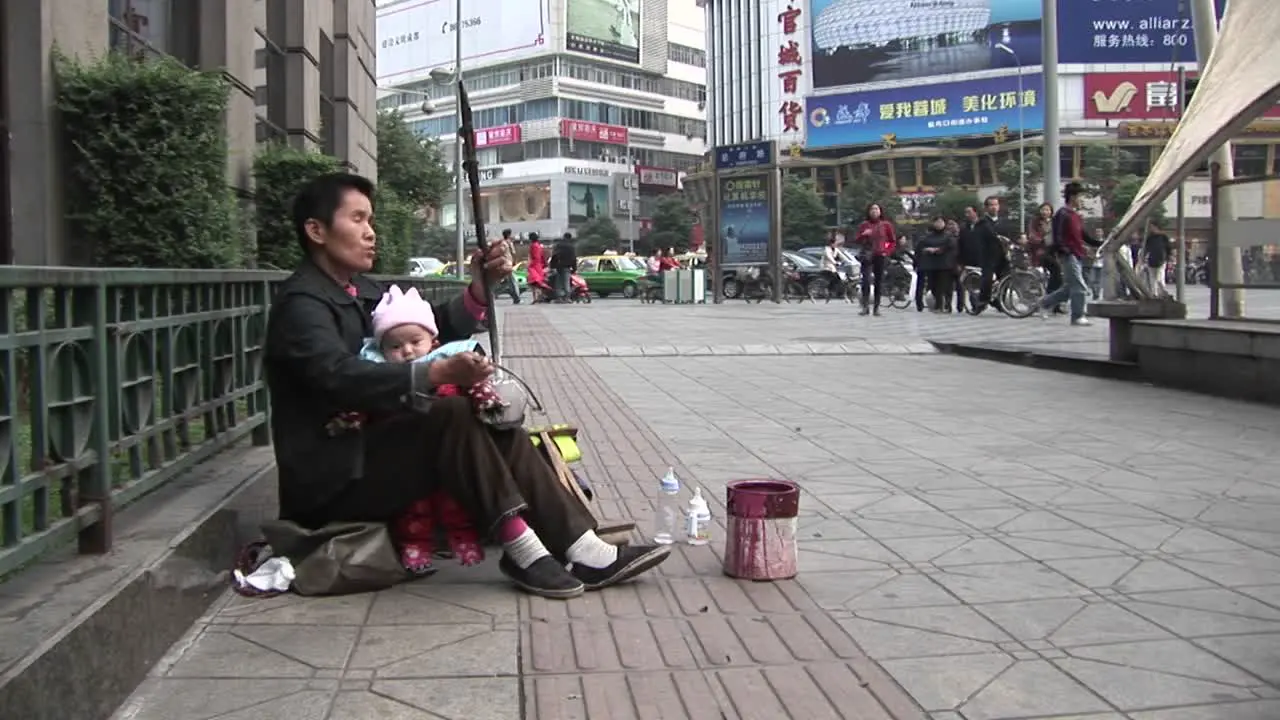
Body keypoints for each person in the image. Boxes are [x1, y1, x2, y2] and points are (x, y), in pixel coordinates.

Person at [264, 173, 669, 598]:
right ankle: (524, 550)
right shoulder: (303, 305)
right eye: (358, 219)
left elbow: (418, 327)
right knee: (451, 413)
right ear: (316, 230)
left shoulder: (358, 289)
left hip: (371, 453)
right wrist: (433, 374)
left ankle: (581, 546)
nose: (370, 232)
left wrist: (478, 289)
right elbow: (337, 377)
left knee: (487, 413)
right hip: (333, 482)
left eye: (371, 221)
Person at [359, 284, 503, 573]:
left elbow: (476, 387)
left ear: (433, 343)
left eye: (415, 342)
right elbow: (361, 403)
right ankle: (415, 545)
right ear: (382, 350)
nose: (408, 352)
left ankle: (463, 538)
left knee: (454, 499)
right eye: (395, 347)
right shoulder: (381, 375)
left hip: (450, 449)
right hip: (406, 452)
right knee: (414, 505)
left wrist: (485, 398)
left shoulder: (449, 364)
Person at [1037, 182, 1102, 326]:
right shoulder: (1063, 214)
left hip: (1078, 254)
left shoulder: (1076, 216)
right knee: (1079, 286)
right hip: (1068, 254)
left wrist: (1099, 243)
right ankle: (1078, 316)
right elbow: (1058, 235)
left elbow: (1083, 235)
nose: (1082, 200)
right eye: (1081, 197)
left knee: (1069, 288)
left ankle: (1044, 302)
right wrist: (1064, 250)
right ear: (1073, 197)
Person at [854, 203, 897, 316]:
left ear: (880, 211)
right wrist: (864, 234)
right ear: (868, 211)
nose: (874, 211)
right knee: (866, 280)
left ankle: (876, 308)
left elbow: (891, 241)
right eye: (872, 209)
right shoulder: (864, 224)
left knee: (879, 281)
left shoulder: (886, 225)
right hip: (867, 255)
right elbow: (857, 240)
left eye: (876, 209)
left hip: (880, 255)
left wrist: (886, 251)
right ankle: (865, 306)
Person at [1027, 202, 1064, 315]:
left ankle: (1055, 304)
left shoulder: (1055, 222)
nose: (1045, 212)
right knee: (1056, 270)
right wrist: (1042, 240)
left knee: (1058, 277)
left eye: (1047, 210)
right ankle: (1048, 299)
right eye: (1043, 209)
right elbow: (1032, 236)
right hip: (1041, 252)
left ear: (1051, 212)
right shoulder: (1035, 222)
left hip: (1054, 251)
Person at [913, 216, 954, 312]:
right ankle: (936, 304)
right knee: (934, 285)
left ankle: (945, 305)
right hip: (931, 265)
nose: (939, 224)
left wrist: (938, 250)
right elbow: (919, 249)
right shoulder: (927, 237)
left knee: (945, 286)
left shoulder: (948, 236)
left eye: (941, 221)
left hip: (945, 264)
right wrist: (927, 250)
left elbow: (951, 247)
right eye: (937, 221)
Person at [975, 196, 1008, 311]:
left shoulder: (1003, 221)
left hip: (1002, 254)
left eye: (996, 205)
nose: (994, 207)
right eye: (991, 205)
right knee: (987, 278)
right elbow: (981, 238)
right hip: (988, 255)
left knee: (1005, 277)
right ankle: (982, 300)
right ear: (986, 207)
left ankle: (999, 300)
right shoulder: (982, 223)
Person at [955, 207, 983, 314]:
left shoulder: (983, 226)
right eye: (965, 212)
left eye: (969, 212)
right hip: (968, 261)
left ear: (976, 213)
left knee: (980, 284)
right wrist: (959, 261)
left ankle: (980, 303)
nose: (967, 215)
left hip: (981, 259)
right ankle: (973, 305)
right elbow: (960, 245)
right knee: (969, 283)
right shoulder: (964, 228)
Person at [1143, 221, 1172, 297]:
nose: (1150, 229)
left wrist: (1168, 257)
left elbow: (1168, 248)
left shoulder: (1163, 237)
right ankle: (1154, 294)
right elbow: (1146, 248)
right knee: (1153, 279)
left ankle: (1162, 293)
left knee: (1159, 278)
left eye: (1152, 227)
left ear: (1156, 227)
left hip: (1161, 260)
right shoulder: (1149, 238)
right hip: (1151, 260)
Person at [550, 232, 577, 302]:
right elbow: (574, 258)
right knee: (566, 282)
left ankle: (559, 298)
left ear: (564, 237)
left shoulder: (558, 245)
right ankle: (567, 298)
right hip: (567, 267)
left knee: (558, 283)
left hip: (558, 266)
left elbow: (554, 256)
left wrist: (552, 266)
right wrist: (574, 268)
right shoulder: (571, 247)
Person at [498, 229, 521, 304]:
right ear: (508, 235)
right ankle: (517, 298)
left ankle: (492, 293)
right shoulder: (509, 243)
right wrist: (515, 261)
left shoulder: (501, 243)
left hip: (503, 263)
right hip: (509, 264)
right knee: (513, 281)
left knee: (506, 282)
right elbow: (513, 253)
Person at [820, 232, 845, 297]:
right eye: (834, 244)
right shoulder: (826, 250)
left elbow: (842, 256)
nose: (835, 245)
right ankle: (828, 290)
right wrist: (835, 262)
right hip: (826, 267)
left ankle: (833, 291)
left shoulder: (836, 249)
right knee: (834, 277)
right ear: (831, 244)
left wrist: (846, 261)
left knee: (838, 279)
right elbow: (829, 257)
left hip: (832, 268)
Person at [526, 232, 547, 301]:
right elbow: (542, 256)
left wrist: (529, 265)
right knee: (538, 283)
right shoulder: (539, 245)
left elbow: (535, 257)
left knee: (533, 283)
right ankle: (538, 297)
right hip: (539, 266)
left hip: (534, 266)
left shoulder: (533, 246)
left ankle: (536, 298)